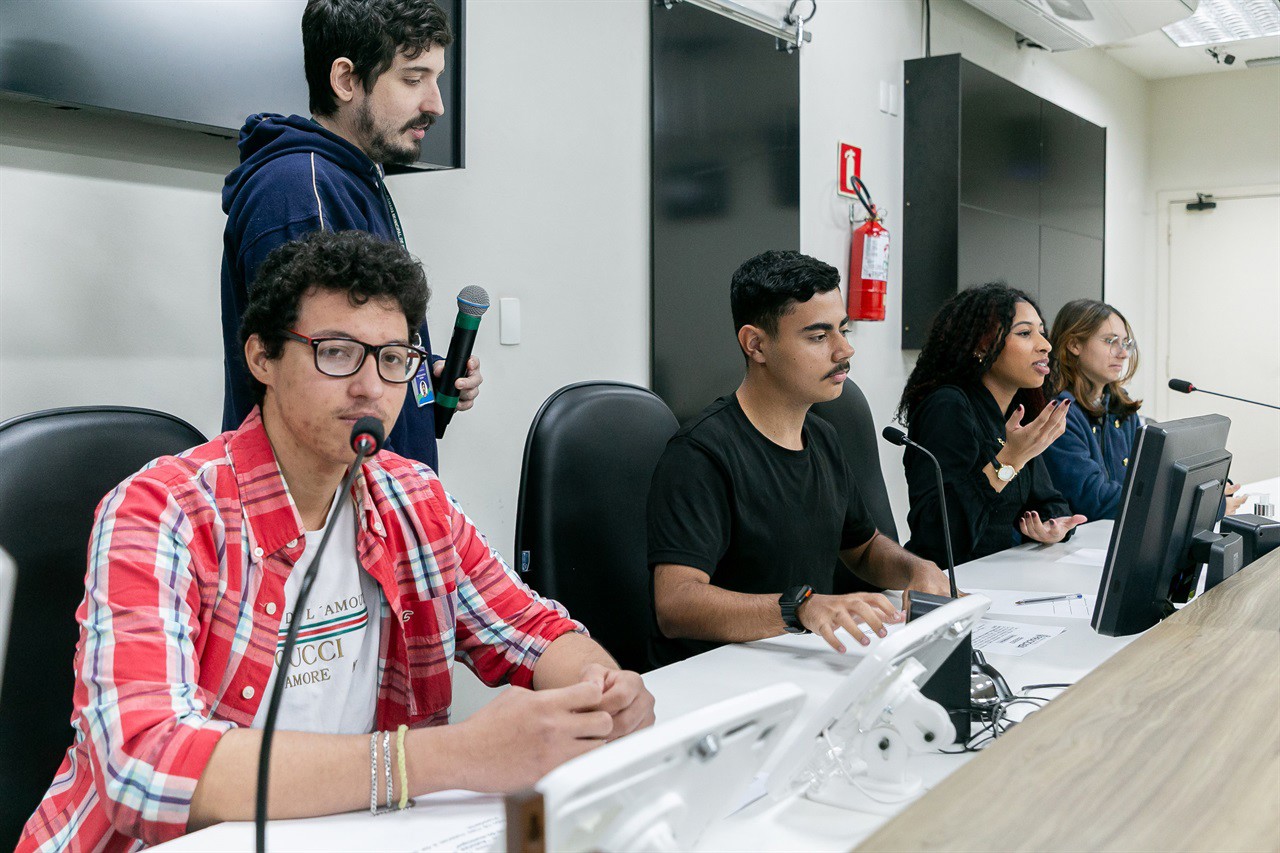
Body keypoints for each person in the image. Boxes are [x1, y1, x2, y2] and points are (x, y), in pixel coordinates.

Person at [19, 231, 654, 852]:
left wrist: (600, 692)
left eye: (393, 358)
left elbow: (532, 630)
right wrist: (449, 758)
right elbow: (144, 765)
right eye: (337, 352)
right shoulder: (165, 510)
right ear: (262, 357)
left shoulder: (413, 499)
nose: (371, 388)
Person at [647, 250, 952, 667]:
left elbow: (862, 549)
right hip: (725, 678)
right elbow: (676, 605)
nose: (844, 350)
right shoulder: (701, 454)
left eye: (842, 330)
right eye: (818, 336)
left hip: (803, 662)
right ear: (756, 344)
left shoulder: (823, 436)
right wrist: (801, 607)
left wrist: (915, 570)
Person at [220, 0, 481, 471]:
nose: (435, 104)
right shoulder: (302, 191)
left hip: (382, 506)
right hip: (328, 521)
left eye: (436, 79)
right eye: (412, 78)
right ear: (345, 80)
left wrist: (421, 373)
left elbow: (354, 348)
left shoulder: (352, 180)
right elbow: (327, 386)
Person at [896, 283, 1087, 567]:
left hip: (1001, 574)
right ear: (982, 346)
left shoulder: (1015, 411)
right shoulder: (948, 407)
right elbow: (939, 538)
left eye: (1042, 332)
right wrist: (1010, 459)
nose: (1045, 345)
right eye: (1025, 333)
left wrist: (1053, 528)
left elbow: (1050, 501)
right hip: (951, 584)